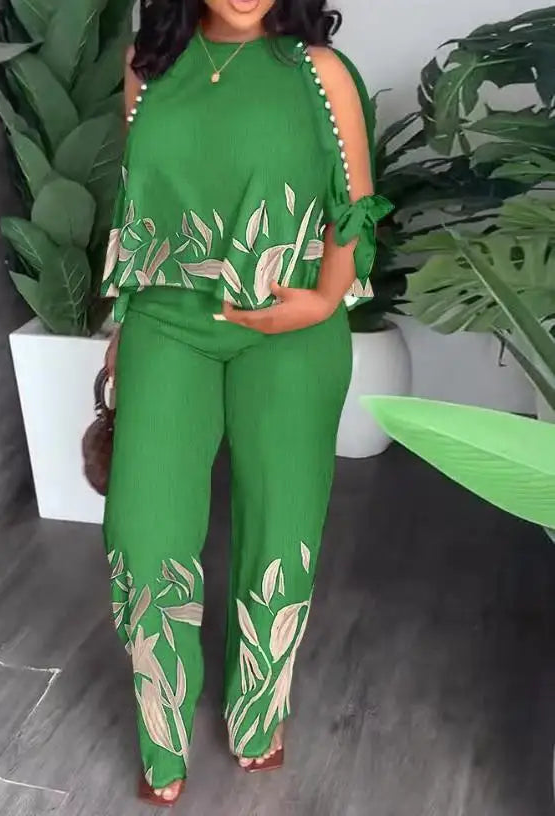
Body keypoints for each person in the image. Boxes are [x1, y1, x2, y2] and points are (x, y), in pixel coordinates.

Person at [101, 0, 393, 806]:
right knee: (143, 534)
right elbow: (138, 201)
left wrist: (323, 299)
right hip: (168, 321)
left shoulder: (319, 72)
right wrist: (123, 324)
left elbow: (354, 205)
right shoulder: (149, 65)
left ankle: (257, 715)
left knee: (280, 531)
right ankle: (162, 737)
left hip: (291, 329)